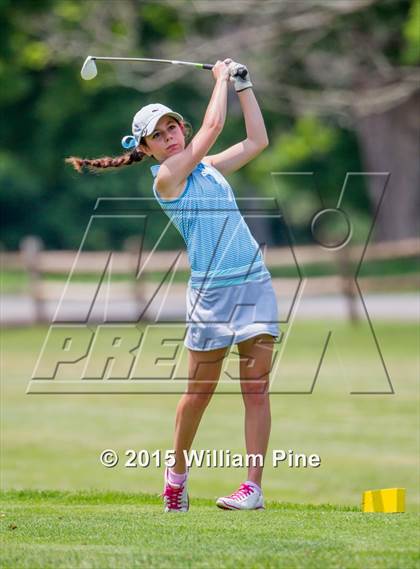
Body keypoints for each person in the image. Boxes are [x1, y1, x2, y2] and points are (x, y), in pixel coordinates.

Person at [66, 58, 280, 513]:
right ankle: (176, 477)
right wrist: (220, 79)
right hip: (212, 295)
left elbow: (258, 140)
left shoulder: (208, 168)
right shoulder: (167, 178)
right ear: (146, 148)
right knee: (198, 395)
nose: (170, 137)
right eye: (158, 136)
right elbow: (214, 123)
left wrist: (244, 85)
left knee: (256, 388)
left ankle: (253, 488)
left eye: (172, 128)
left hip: (253, 283)